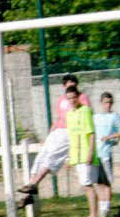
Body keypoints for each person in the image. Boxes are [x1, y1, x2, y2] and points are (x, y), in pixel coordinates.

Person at [18, 74, 92, 202]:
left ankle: (34, 184)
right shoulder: (62, 100)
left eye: (73, 85)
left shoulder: (82, 98)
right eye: (68, 85)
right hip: (58, 131)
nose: (71, 88)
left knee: (52, 157)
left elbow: (85, 116)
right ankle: (30, 191)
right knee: (41, 156)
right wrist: (49, 135)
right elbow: (58, 119)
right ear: (64, 86)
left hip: (69, 131)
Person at [64, 86, 105, 217]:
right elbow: (71, 136)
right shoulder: (69, 114)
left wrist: (90, 152)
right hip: (76, 155)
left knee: (88, 186)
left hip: (86, 155)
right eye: (69, 98)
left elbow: (91, 133)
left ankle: (93, 215)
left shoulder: (85, 111)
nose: (72, 100)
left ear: (78, 97)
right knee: (87, 185)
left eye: (74, 97)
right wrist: (69, 157)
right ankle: (97, 215)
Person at [94, 92, 120, 217]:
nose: (108, 105)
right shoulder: (96, 117)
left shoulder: (114, 116)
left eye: (110, 102)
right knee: (98, 183)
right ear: (101, 103)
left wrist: (110, 137)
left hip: (106, 153)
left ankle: (106, 209)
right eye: (106, 102)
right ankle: (101, 209)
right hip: (96, 154)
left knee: (107, 183)